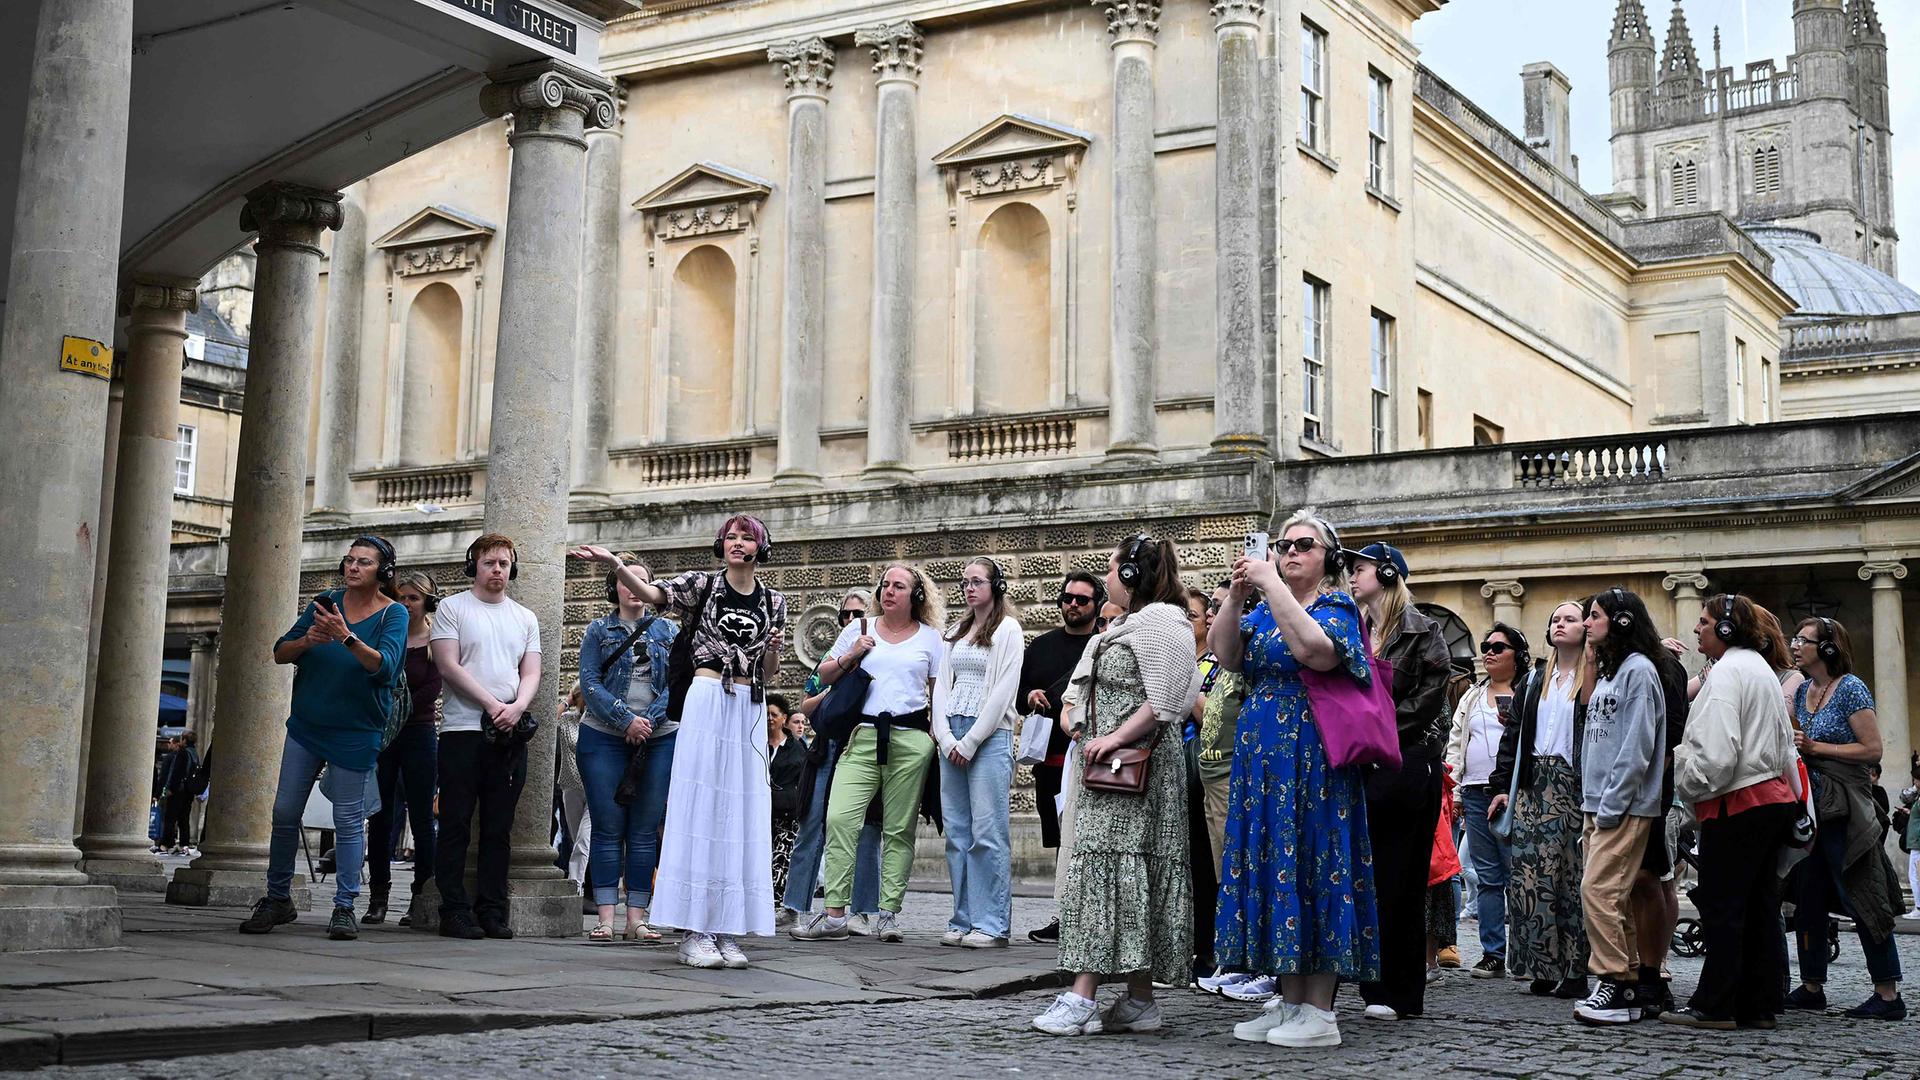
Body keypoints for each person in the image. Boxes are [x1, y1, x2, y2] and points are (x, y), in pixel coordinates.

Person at [575, 515, 789, 970]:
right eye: (731, 537)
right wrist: (616, 563)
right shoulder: (702, 584)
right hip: (710, 696)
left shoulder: (775, 601)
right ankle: (694, 930)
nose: (737, 543)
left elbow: (768, 672)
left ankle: (727, 928)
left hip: (749, 703)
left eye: (746, 537)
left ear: (760, 547)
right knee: (701, 809)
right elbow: (654, 595)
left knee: (740, 815)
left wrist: (771, 650)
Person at [1211, 509, 1378, 1050]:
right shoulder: (1262, 607)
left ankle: (1319, 1010)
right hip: (1261, 757)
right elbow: (1225, 653)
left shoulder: (1336, 607)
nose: (1290, 552)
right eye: (1283, 544)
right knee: (1271, 863)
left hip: (1314, 757)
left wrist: (1267, 583)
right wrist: (1238, 594)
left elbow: (1314, 651)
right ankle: (1288, 998)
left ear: (1328, 558)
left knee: (1314, 863)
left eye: (1304, 544)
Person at [1031, 536, 1196, 1036]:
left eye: (1110, 570)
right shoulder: (1124, 625)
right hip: (1113, 768)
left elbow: (1167, 699)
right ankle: (1140, 1000)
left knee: (1110, 868)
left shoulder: (1166, 622)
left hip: (1137, 768)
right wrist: (1078, 719)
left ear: (1130, 575)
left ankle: (1081, 997)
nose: (1105, 580)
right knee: (1123, 872)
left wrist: (1116, 737)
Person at [240, 535, 407, 941]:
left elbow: (385, 668)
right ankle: (278, 898)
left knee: (348, 821)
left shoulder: (394, 614)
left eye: (363, 562)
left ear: (382, 572)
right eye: (349, 560)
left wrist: (345, 636)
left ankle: (344, 906)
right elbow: (281, 651)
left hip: (356, 730)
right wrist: (308, 640)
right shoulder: (325, 600)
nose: (352, 567)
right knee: (284, 813)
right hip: (307, 725)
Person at [1659, 594, 1798, 1030]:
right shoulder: (1757, 668)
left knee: (1724, 907)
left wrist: (1685, 778)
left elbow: (1717, 757)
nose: (1697, 629)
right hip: (1767, 801)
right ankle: (1756, 1003)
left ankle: (1715, 1004)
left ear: (1724, 628)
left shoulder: (1727, 674)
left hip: (1737, 803)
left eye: (1703, 622)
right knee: (1757, 907)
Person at [790, 562, 943, 945]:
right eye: (885, 585)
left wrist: (937, 739)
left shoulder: (931, 639)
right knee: (840, 818)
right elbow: (821, 676)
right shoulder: (859, 628)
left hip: (910, 739)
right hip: (862, 734)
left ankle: (888, 915)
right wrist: (851, 654)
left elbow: (939, 694)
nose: (889, 591)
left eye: (899, 586)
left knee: (897, 829)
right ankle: (835, 915)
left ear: (916, 596)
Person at [1348, 542, 1452, 1022]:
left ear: (1388, 573)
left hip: (1406, 764)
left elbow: (1431, 696)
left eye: (1361, 568)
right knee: (1366, 879)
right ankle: (1371, 985)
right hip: (1363, 763)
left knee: (1401, 880)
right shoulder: (1352, 627)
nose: (1352, 575)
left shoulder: (1422, 629)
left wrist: (1376, 726)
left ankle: (1400, 992)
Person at [1786, 616, 1906, 1020]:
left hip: (1848, 809)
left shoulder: (1851, 689)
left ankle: (1888, 994)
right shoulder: (1804, 689)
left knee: (1863, 892)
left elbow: (1872, 749)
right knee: (1808, 898)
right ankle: (1811, 986)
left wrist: (1818, 747)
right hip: (1813, 810)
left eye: (1803, 640)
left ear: (1829, 648)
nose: (1796, 645)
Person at [431, 533, 542, 941]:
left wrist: (513, 708)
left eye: (504, 563)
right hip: (462, 730)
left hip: (508, 734)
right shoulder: (451, 608)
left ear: (513, 568)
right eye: (489, 562)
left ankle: (492, 910)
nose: (497, 570)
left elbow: (531, 672)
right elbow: (448, 665)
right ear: (473, 566)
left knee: (499, 827)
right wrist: (493, 705)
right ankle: (453, 909)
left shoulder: (525, 617)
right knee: (456, 823)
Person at [1571, 587, 1668, 1026]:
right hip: (1599, 804)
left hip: (1623, 807)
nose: (1587, 623)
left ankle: (1613, 980)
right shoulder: (1611, 672)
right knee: (1617, 899)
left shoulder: (1640, 671)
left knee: (1598, 891)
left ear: (1622, 621)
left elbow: (1637, 746)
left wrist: (1612, 803)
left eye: (1594, 616)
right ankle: (1626, 979)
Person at [1488, 600, 1590, 999]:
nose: (1560, 624)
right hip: (1533, 785)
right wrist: (1501, 786)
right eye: (1555, 619)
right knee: (1529, 879)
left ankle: (1577, 968)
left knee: (1571, 879)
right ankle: (1541, 966)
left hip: (1573, 785)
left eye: (1569, 618)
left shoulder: (1595, 675)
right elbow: (1513, 736)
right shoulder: (1534, 679)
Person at [575, 552, 677, 943]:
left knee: (644, 829)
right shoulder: (598, 630)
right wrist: (625, 720)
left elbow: (677, 680)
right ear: (615, 586)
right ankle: (605, 917)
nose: (633, 588)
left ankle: (636, 918)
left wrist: (648, 719)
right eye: (625, 579)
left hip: (659, 735)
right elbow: (589, 681)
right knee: (606, 827)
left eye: (641, 580)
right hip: (602, 736)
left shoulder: (667, 631)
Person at [778, 590, 884, 934]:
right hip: (828, 746)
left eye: (858, 614)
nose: (851, 621)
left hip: (867, 744)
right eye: (845, 615)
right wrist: (836, 690)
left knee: (868, 829)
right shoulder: (834, 657)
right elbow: (805, 705)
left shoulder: (884, 653)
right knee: (812, 824)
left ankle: (862, 911)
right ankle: (794, 904)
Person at [932, 557, 1024, 948]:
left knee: (987, 832)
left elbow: (1003, 691)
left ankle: (991, 923)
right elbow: (939, 688)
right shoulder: (955, 631)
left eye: (977, 582)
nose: (969, 588)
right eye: (965, 582)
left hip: (988, 738)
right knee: (956, 832)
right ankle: (963, 917)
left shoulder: (1009, 630)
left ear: (996, 586)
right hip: (952, 732)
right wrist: (945, 737)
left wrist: (970, 742)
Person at [1017, 571, 1102, 943]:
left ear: (1096, 604)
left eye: (1082, 600)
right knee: (1058, 839)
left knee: (1087, 838)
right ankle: (1064, 914)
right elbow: (1018, 694)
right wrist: (1031, 696)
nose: (1073, 605)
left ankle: (1085, 915)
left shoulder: (1104, 644)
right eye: (1067, 598)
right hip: (1050, 758)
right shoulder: (1040, 647)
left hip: (1091, 756)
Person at [1444, 622, 1527, 979]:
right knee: (1488, 877)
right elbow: (1456, 742)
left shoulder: (1528, 692)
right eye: (1485, 646)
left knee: (1520, 874)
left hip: (1516, 793)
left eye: (1498, 647)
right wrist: (1458, 790)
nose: (1489, 652)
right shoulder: (1472, 695)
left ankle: (1526, 955)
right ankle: (1493, 953)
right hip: (1477, 793)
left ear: (1517, 655)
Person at [366, 570, 442, 926]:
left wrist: (401, 708)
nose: (406, 604)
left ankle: (419, 897)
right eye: (401, 598)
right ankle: (378, 896)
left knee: (422, 818)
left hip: (419, 733)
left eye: (413, 598)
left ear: (426, 600)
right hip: (383, 734)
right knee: (379, 817)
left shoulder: (436, 639)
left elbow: (432, 688)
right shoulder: (386, 635)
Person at [768, 694, 808, 906]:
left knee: (781, 859)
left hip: (786, 812)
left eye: (773, 715)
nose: (769, 719)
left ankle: (776, 903)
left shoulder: (796, 748)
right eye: (766, 714)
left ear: (783, 718)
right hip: (762, 812)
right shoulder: (757, 744)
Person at [161, 731, 200, 855]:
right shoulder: (195, 753)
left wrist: (170, 788)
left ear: (184, 740)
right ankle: (184, 844)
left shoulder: (183, 752)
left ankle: (168, 843)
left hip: (178, 790)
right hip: (189, 791)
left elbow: (176, 772)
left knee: (170, 817)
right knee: (184, 819)